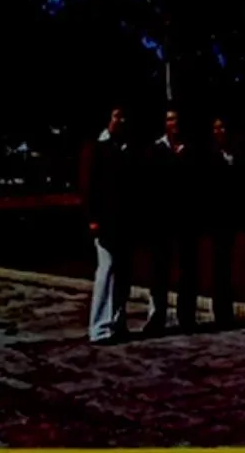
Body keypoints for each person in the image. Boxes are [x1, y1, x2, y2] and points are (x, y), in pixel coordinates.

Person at [82, 105, 137, 345]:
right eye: (116, 116)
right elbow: (89, 186)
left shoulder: (125, 148)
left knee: (123, 273)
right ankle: (99, 326)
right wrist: (93, 218)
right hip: (106, 221)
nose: (121, 121)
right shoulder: (97, 148)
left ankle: (117, 321)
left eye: (123, 117)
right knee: (106, 269)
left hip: (124, 221)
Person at [145, 107, 200, 332]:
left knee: (187, 269)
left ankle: (186, 317)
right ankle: (157, 316)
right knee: (159, 269)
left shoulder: (191, 151)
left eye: (176, 119)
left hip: (186, 219)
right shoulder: (156, 150)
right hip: (162, 219)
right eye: (169, 119)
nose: (173, 123)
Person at [204, 115, 241, 328]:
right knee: (218, 264)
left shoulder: (233, 154)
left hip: (230, 216)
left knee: (227, 264)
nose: (220, 132)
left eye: (223, 127)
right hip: (216, 217)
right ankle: (219, 310)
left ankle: (226, 309)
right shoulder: (210, 155)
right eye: (216, 128)